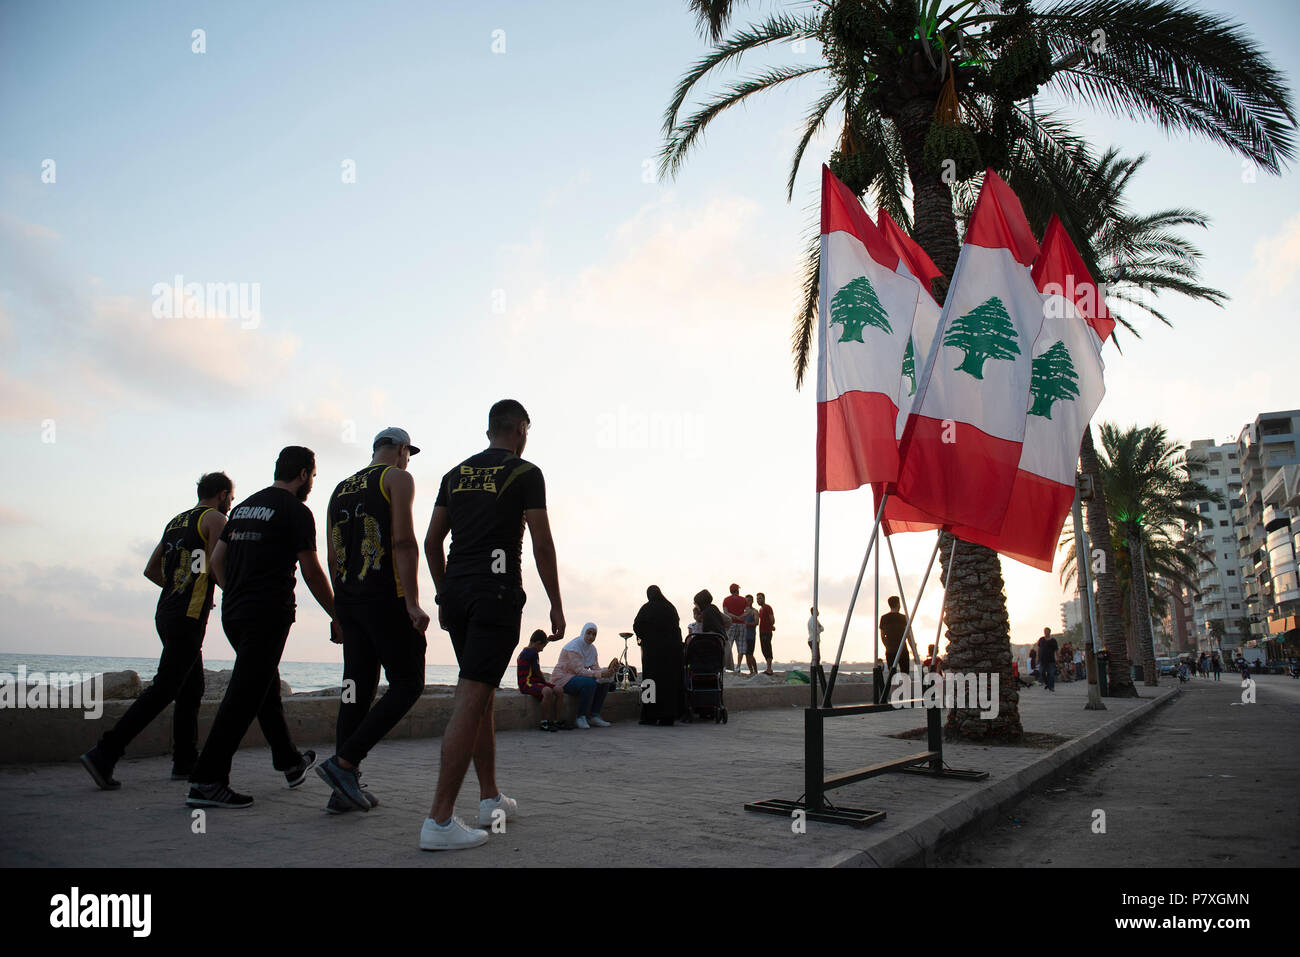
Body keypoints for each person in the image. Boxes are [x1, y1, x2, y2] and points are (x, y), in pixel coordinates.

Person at [421, 399, 564, 851]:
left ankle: (489, 799)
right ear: (521, 429)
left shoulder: (454, 474)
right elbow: (541, 543)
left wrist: (444, 594)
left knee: (479, 694)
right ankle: (439, 821)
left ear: (489, 430)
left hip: (459, 595)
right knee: (472, 697)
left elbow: (430, 542)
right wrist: (556, 605)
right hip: (495, 595)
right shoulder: (525, 473)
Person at [186, 448, 336, 809]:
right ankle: (207, 781)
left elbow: (216, 561)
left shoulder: (242, 509)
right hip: (268, 613)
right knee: (242, 696)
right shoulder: (297, 512)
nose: (312, 484)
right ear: (303, 474)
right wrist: (338, 613)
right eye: (312, 477)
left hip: (235, 612)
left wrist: (235, 591)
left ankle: (289, 761)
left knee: (261, 687)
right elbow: (312, 571)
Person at [81, 473, 234, 789]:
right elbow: (220, 563)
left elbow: (151, 569)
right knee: (165, 688)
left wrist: (179, 586)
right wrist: (228, 590)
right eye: (231, 497)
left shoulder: (176, 522)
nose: (231, 504)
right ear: (222, 494)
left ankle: (184, 761)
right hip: (189, 615)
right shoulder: (216, 519)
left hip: (166, 611)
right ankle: (105, 752)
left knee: (191, 690)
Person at [315, 428, 430, 814]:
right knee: (409, 683)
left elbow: (332, 555)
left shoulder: (339, 488)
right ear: (400, 450)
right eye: (407, 453)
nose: (407, 460)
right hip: (387, 599)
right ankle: (344, 764)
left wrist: (337, 610)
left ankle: (342, 788)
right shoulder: (397, 478)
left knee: (355, 690)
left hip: (349, 602)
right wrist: (413, 603)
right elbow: (403, 542)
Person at [634, 586, 683, 726]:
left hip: (652, 653)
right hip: (670, 653)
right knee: (668, 683)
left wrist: (644, 636)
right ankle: (667, 716)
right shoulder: (670, 608)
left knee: (650, 683)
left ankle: (649, 716)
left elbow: (637, 625)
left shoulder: (646, 608)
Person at [551, 623, 615, 729]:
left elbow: (595, 668)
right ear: (583, 632)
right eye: (589, 633)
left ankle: (594, 716)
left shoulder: (592, 649)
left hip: (577, 679)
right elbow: (579, 671)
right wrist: (600, 674)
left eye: (594, 634)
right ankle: (581, 717)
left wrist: (607, 672)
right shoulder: (573, 647)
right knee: (590, 683)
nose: (591, 637)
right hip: (563, 679)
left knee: (605, 682)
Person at [517, 630, 563, 731]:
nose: (542, 650)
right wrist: (544, 683)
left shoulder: (528, 651)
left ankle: (557, 721)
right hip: (526, 684)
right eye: (542, 647)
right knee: (547, 691)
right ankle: (544, 722)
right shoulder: (532, 652)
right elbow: (537, 672)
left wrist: (548, 639)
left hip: (533, 681)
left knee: (559, 690)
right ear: (537, 643)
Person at [879, 596, 910, 679]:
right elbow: (908, 635)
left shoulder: (884, 618)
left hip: (890, 650)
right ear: (898, 604)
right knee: (905, 674)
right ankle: (905, 691)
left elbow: (882, 636)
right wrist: (913, 648)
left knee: (893, 676)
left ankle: (895, 691)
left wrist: (887, 646)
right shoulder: (904, 618)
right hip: (903, 649)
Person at [722, 584, 747, 672]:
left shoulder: (726, 600)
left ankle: (724, 666)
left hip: (731, 624)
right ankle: (738, 667)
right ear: (737, 590)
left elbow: (725, 612)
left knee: (728, 645)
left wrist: (735, 617)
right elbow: (747, 611)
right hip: (742, 625)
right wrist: (740, 617)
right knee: (741, 646)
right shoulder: (743, 599)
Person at [807, 607, 826, 692]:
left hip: (814, 640)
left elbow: (821, 628)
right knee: (816, 657)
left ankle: (816, 672)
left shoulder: (815, 620)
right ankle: (814, 673)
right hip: (813, 640)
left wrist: (821, 628)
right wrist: (820, 628)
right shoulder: (813, 620)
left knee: (817, 657)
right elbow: (819, 630)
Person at [740, 595, 759, 677]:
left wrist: (747, 624)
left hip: (751, 636)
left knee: (750, 654)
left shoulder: (754, 611)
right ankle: (751, 671)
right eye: (746, 600)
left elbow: (757, 622)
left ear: (752, 601)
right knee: (746, 654)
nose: (748, 602)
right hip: (743, 636)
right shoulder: (743, 612)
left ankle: (755, 671)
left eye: (749, 600)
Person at [757, 593, 775, 676]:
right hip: (761, 631)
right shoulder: (760, 610)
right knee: (764, 649)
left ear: (764, 598)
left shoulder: (767, 607)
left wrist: (771, 626)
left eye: (760, 598)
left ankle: (769, 669)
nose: (758, 600)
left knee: (767, 649)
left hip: (767, 632)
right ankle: (768, 668)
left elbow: (772, 618)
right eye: (757, 599)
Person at [1036, 627, 1059, 692]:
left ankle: (1051, 687)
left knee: (1051, 673)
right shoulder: (1041, 639)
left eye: (1046, 631)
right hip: (1042, 659)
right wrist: (1038, 658)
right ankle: (1047, 684)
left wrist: (1058, 658)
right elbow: (1039, 649)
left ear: (1049, 632)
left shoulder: (1053, 640)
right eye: (1044, 631)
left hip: (1051, 660)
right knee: (1041, 672)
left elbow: (1056, 650)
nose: (1045, 632)